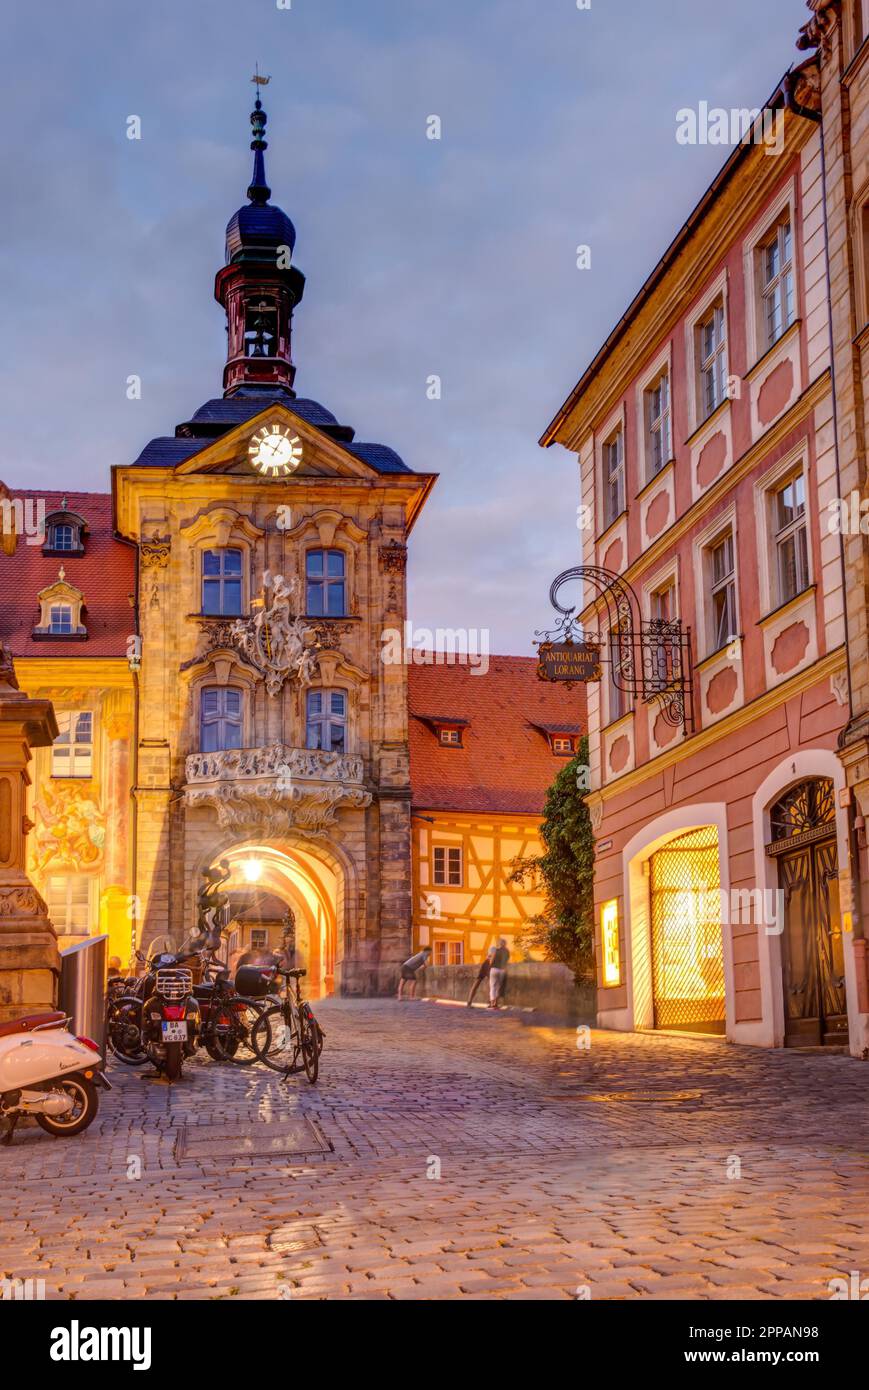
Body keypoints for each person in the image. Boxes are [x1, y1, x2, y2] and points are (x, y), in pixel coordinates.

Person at [488, 938, 510, 1009]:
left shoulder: (496, 950)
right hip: (502, 970)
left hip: (494, 969)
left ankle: (492, 1003)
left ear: (499, 944)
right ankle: (496, 1003)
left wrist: (490, 964)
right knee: (498, 987)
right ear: (505, 944)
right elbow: (506, 961)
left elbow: (491, 960)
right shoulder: (507, 951)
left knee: (492, 986)